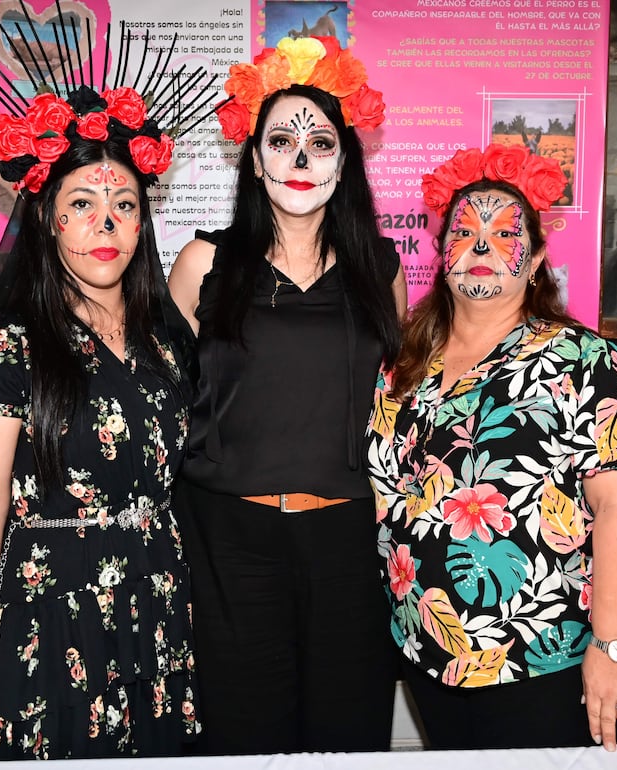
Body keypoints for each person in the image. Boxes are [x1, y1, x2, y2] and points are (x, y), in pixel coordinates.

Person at [0, 9, 218, 760]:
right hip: (48, 615)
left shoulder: (166, 343)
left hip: (158, 608)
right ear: (50, 223)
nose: (107, 223)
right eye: (83, 206)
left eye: (124, 205)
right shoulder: (9, 346)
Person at [365, 144, 617, 752]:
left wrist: (613, 648)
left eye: (504, 234)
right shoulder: (402, 363)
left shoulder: (589, 364)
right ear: (441, 252)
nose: (480, 248)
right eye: (464, 232)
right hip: (423, 654)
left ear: (536, 261)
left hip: (537, 662)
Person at [167, 36, 406, 755]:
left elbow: (395, 403)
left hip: (349, 543)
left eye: (321, 141)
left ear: (345, 158)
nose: (301, 159)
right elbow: (169, 401)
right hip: (230, 542)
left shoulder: (380, 268)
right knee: (244, 737)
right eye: (282, 140)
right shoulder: (204, 262)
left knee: (347, 734)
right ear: (255, 156)